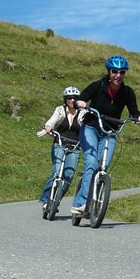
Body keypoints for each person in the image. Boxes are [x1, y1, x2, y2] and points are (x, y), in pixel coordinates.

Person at [70, 55, 140, 214]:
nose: (118, 75)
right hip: (91, 128)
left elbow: (133, 111)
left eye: (122, 72)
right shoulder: (97, 86)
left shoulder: (127, 92)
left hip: (110, 132)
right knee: (91, 162)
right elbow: (80, 98)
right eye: (114, 71)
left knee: (103, 166)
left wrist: (138, 117)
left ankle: (96, 200)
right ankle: (81, 203)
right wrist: (80, 103)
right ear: (109, 71)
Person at [39, 86, 82, 215]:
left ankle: (56, 201)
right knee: (56, 173)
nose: (72, 100)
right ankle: (47, 200)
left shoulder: (83, 113)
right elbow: (52, 120)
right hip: (59, 145)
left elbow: (87, 126)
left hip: (75, 147)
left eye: (74, 98)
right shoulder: (60, 110)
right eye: (69, 98)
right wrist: (48, 127)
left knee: (68, 176)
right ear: (65, 99)